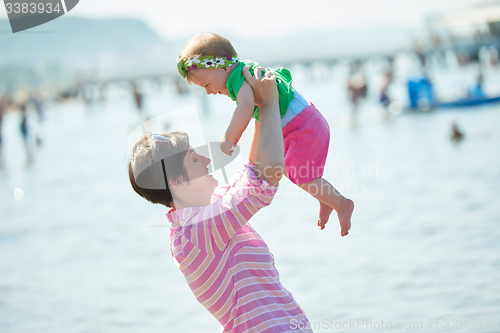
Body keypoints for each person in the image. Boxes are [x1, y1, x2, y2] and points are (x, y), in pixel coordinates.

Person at [129, 67, 313, 332]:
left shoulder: (207, 209)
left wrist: (259, 108)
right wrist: (271, 104)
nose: (206, 160)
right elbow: (264, 183)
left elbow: (253, 172)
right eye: (194, 159)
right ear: (177, 181)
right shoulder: (192, 231)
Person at [177, 33, 353, 236]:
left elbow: (246, 106)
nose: (209, 92)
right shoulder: (244, 70)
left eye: (207, 85)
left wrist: (229, 138)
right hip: (304, 122)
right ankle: (326, 199)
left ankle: (341, 203)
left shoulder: (238, 79)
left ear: (224, 67)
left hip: (303, 125)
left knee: (301, 176)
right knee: (294, 170)